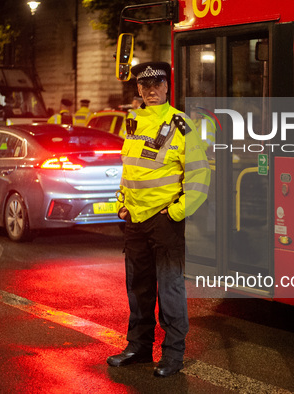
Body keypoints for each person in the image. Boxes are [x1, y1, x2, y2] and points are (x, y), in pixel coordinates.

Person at [107, 61, 210, 377]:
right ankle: (138, 348)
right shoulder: (133, 121)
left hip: (164, 222)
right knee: (138, 290)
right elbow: (131, 169)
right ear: (138, 88)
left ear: (167, 87)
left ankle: (173, 355)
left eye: (157, 83)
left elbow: (200, 174)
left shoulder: (180, 124)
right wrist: (122, 204)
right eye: (145, 84)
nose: (151, 89)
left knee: (170, 289)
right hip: (135, 221)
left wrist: (177, 211)